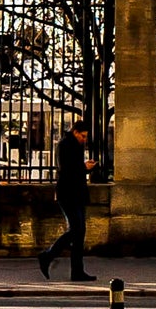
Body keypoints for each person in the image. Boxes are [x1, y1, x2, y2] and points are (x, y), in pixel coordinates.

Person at [38, 115, 95, 280]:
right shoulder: (64, 145)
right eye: (82, 136)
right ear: (75, 132)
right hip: (67, 193)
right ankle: (47, 255)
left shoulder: (76, 145)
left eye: (85, 137)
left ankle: (77, 271)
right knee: (76, 230)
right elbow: (66, 170)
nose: (84, 139)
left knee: (79, 232)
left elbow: (75, 170)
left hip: (77, 193)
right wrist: (84, 167)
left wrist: (85, 168)